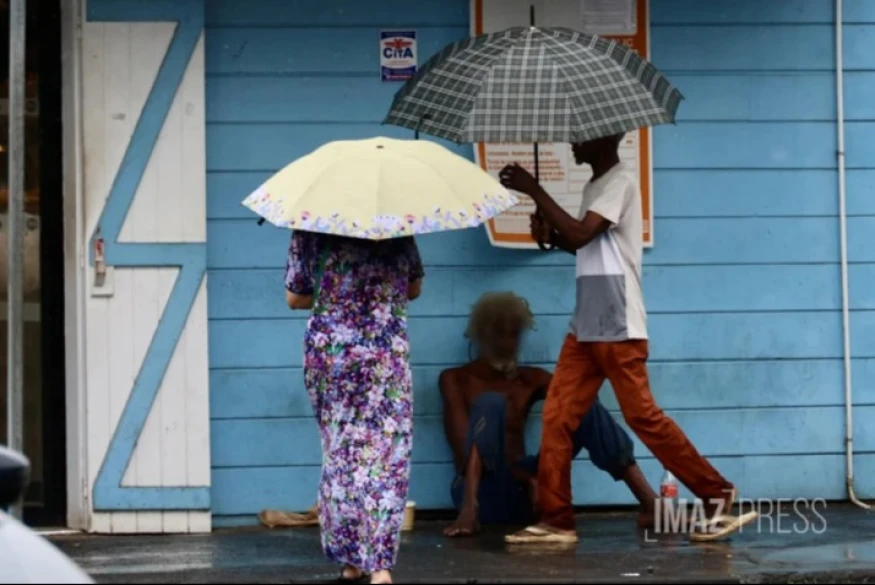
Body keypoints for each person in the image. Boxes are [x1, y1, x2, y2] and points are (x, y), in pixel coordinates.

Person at [497, 135, 757, 544]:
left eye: (580, 136)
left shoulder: (621, 181)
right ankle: (557, 520)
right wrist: (551, 235)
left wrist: (535, 191)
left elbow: (581, 233)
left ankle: (716, 492)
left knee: (643, 417)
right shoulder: (594, 186)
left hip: (617, 323)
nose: (572, 143)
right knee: (557, 418)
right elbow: (586, 247)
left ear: (604, 138)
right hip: (586, 324)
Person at [439, 292, 657, 537]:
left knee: (581, 403)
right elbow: (463, 450)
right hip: (485, 494)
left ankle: (649, 501)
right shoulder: (456, 379)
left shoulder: (530, 379)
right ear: (481, 335)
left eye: (514, 334)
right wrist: (526, 478)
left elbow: (582, 400)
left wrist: (544, 472)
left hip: (528, 495)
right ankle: (469, 511)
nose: (508, 343)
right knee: (490, 402)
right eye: (500, 334)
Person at [284, 230, 424, 584]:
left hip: (333, 354)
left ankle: (351, 561)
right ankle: (380, 566)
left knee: (341, 449)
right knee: (386, 452)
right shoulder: (398, 223)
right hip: (384, 353)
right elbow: (413, 288)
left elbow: (294, 297)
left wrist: (339, 291)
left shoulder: (310, 226)